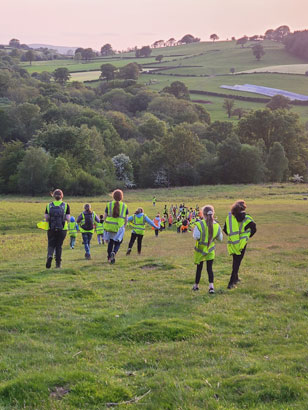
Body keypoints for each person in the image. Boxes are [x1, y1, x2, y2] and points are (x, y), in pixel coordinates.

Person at [224, 200, 256, 289]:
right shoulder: (248, 218)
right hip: (242, 244)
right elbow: (254, 229)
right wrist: (247, 236)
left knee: (235, 261)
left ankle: (236, 278)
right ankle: (231, 283)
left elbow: (225, 229)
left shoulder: (229, 217)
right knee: (237, 263)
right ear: (243, 208)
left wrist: (232, 236)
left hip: (233, 243)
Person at [192, 205, 223, 294]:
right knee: (210, 268)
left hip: (200, 251)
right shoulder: (216, 225)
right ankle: (211, 287)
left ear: (203, 214)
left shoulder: (199, 224)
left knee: (199, 268)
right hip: (210, 251)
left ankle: (196, 286)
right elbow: (220, 239)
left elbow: (196, 237)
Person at [44, 189, 70, 269]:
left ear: (53, 196)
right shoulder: (66, 205)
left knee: (51, 244)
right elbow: (68, 218)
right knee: (59, 246)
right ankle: (58, 264)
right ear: (62, 196)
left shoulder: (49, 205)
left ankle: (50, 256)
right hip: (62, 229)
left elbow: (46, 217)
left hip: (51, 228)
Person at [103, 189, 128, 264]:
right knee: (118, 242)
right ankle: (114, 252)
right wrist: (124, 226)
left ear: (113, 196)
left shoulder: (109, 204)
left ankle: (109, 257)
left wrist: (105, 224)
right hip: (119, 226)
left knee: (110, 242)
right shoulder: (124, 206)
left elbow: (105, 216)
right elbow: (126, 218)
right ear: (121, 197)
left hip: (110, 226)